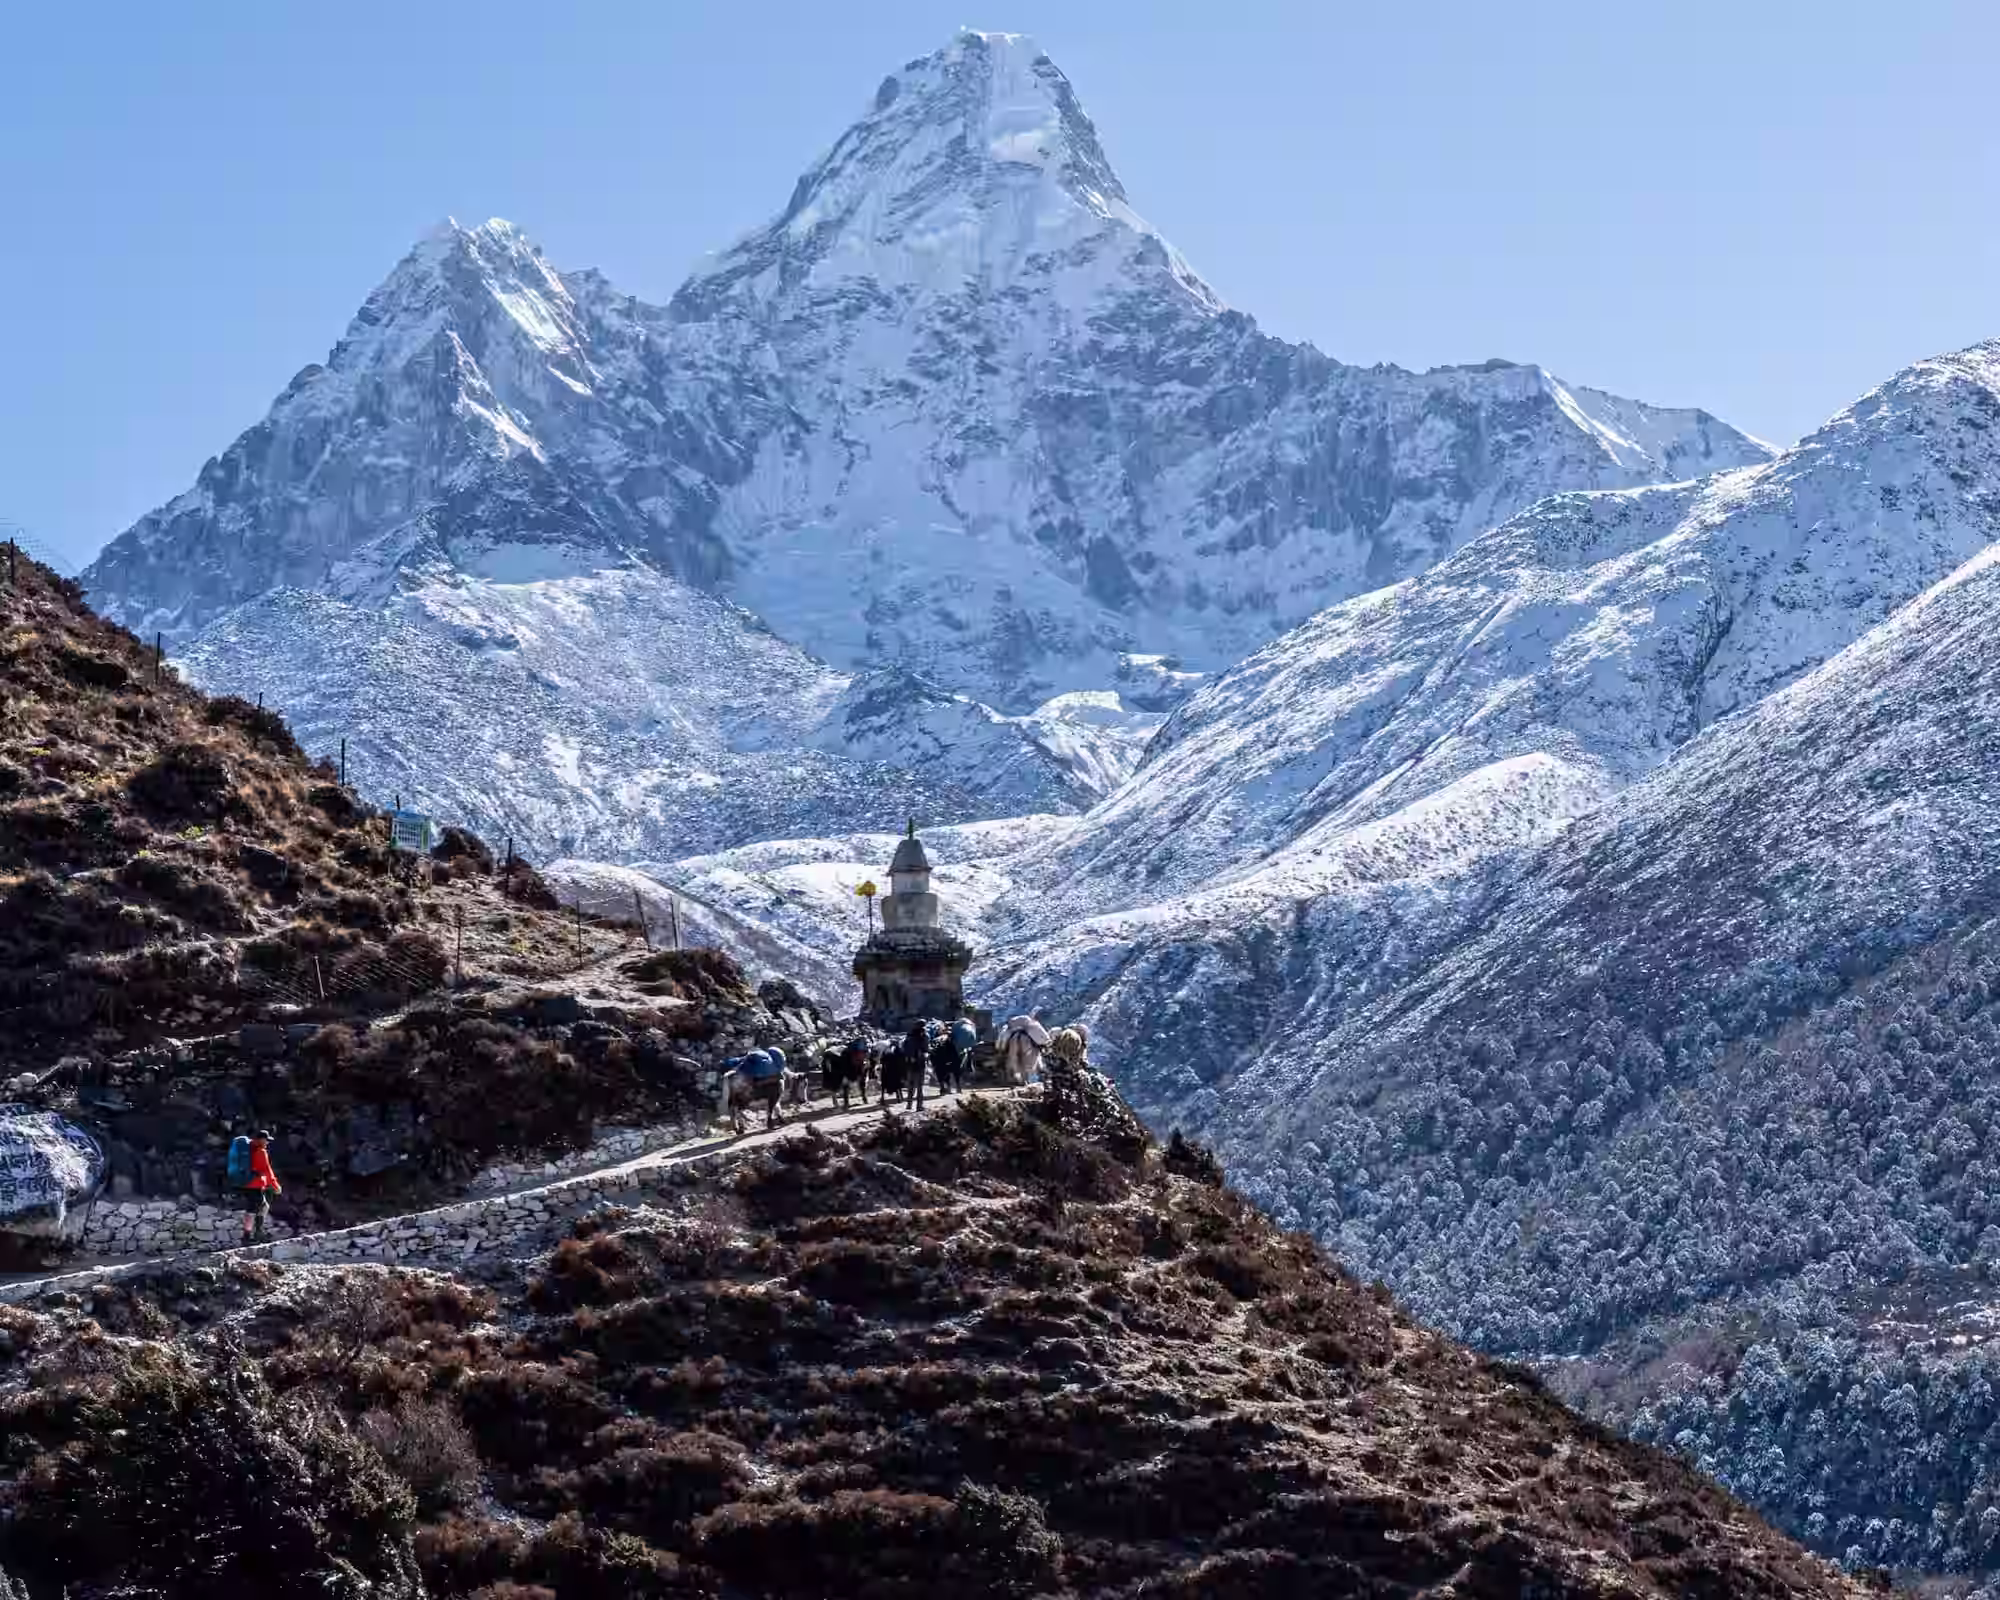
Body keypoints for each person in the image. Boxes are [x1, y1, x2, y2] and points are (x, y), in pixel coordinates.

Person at [239, 1129, 280, 1243]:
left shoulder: (248, 1149)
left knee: (256, 1207)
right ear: (261, 1140)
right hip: (255, 1184)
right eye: (266, 1140)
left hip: (246, 1183)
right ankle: (253, 1235)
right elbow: (267, 1170)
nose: (267, 1143)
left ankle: (252, 1235)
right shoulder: (261, 1151)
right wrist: (275, 1185)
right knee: (259, 1207)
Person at [996, 1013, 1051, 1087]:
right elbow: (1046, 1040)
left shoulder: (1011, 1029)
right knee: (1030, 1062)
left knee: (1015, 1060)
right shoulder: (1034, 1025)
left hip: (1014, 1040)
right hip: (1028, 1042)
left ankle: (1018, 1079)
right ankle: (1030, 1081)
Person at [741, 1047, 786, 1130]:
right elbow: (781, 1075)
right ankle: (771, 1120)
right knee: (774, 1100)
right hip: (773, 1086)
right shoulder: (774, 1065)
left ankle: (779, 1117)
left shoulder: (755, 1063)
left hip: (757, 1086)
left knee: (773, 1101)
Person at [900, 1019, 932, 1112]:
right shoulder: (925, 1036)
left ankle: (909, 1104)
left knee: (911, 1085)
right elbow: (926, 1048)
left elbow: (904, 1048)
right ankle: (919, 1106)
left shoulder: (909, 1036)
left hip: (910, 1063)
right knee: (920, 1086)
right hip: (920, 1063)